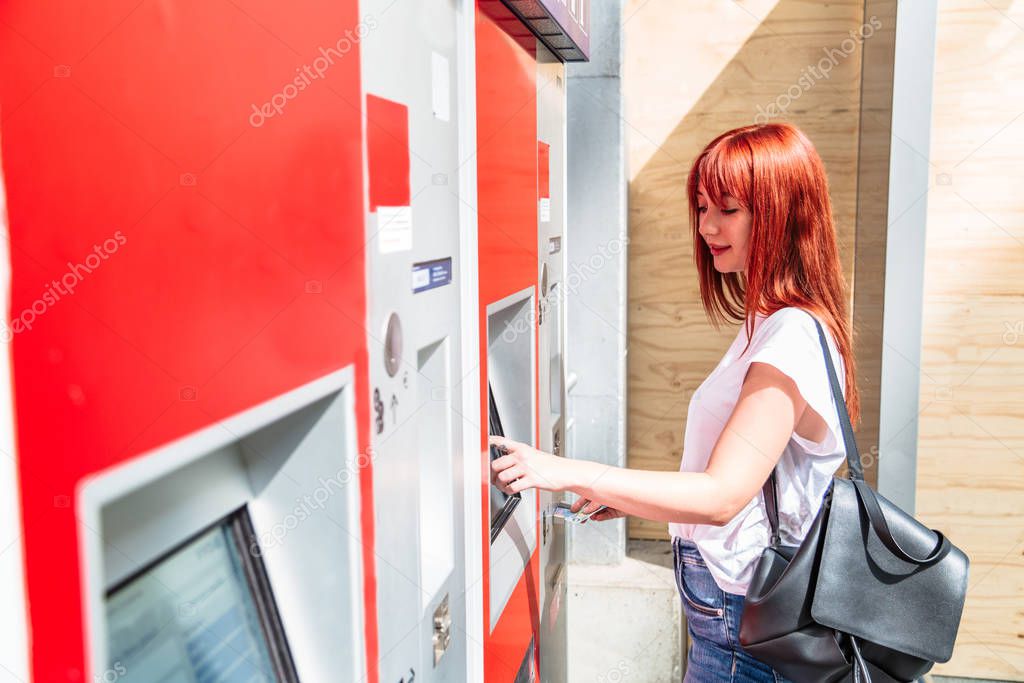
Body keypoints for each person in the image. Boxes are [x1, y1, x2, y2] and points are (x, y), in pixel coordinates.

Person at [489, 122, 860, 682]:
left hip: (744, 621)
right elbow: (737, 482)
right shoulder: (772, 322)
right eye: (702, 205)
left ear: (783, 214)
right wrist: (636, 499)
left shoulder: (792, 335)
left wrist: (566, 472)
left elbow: (721, 497)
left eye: (728, 209)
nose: (707, 225)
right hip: (735, 612)